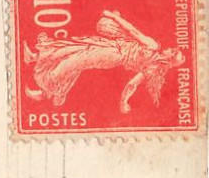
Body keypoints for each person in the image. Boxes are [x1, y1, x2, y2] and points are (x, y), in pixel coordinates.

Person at [23, 10, 184, 113]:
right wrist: (124, 102)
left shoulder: (153, 46)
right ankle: (35, 58)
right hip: (111, 48)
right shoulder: (153, 68)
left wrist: (114, 17)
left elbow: (132, 31)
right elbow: (132, 85)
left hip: (113, 53)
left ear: (170, 56)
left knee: (75, 61)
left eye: (173, 51)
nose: (170, 48)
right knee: (74, 48)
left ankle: (46, 92)